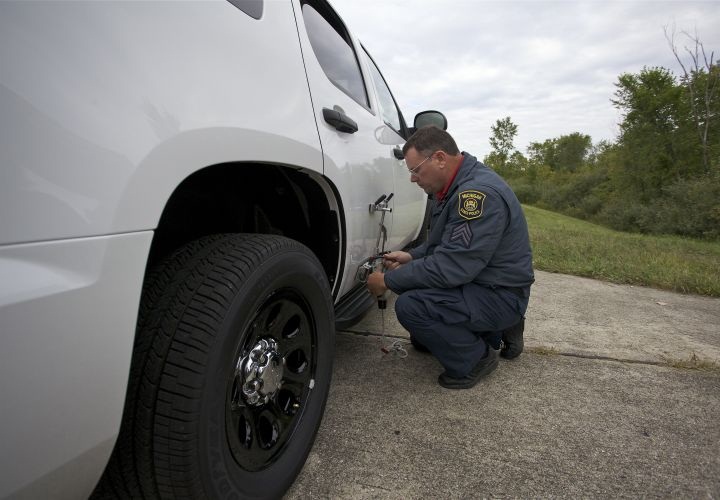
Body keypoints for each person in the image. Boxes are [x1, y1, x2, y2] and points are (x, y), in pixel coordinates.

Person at [366, 126, 534, 389]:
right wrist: (411, 257)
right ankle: (494, 330)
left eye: (415, 170)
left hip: (498, 292)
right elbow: (446, 245)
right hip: (486, 280)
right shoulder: (455, 185)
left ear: (440, 159)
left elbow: (452, 267)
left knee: (411, 307)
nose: (413, 178)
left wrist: (389, 281)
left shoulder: (477, 195)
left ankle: (477, 359)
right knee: (423, 339)